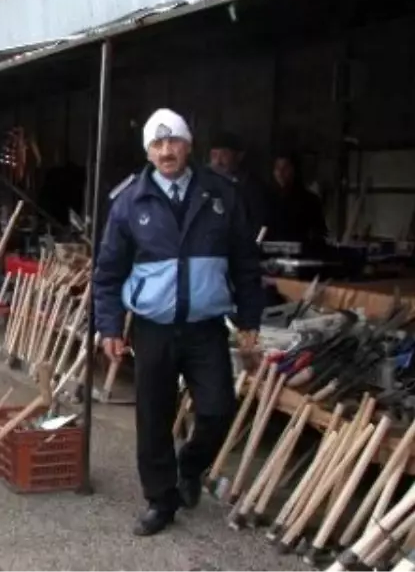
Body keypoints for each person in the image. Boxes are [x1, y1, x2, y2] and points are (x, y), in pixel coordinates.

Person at [93, 108, 264, 537]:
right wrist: (110, 327)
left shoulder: (221, 194)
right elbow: (109, 271)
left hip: (206, 326)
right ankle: (160, 500)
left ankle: (190, 466)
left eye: (174, 142)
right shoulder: (130, 201)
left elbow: (245, 261)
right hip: (154, 327)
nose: (166, 151)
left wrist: (249, 317)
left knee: (218, 409)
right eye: (157, 144)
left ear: (189, 145)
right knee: (153, 417)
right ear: (148, 152)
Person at [263, 151, 328, 249]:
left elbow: (319, 233)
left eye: (285, 168)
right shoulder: (266, 199)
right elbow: (262, 229)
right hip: (270, 254)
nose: (280, 172)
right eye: (277, 168)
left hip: (301, 255)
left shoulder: (310, 201)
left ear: (294, 170)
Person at [207, 130, 266, 236]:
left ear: (239, 156)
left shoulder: (252, 187)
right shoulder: (201, 185)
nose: (218, 162)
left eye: (224, 155)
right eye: (214, 155)